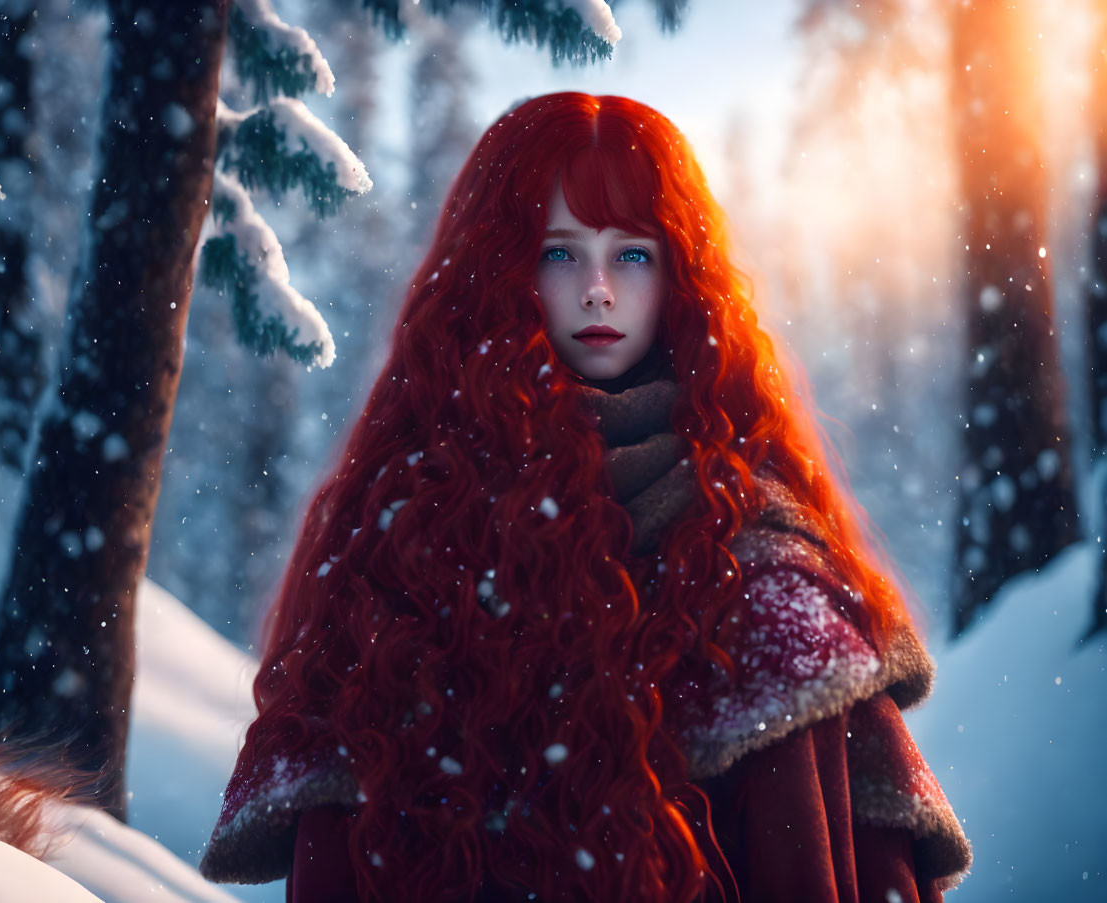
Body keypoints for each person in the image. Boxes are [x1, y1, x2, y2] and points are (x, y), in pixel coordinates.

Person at [200, 93, 971, 902]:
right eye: (559, 253)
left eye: (631, 253)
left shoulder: (768, 579)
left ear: (680, 271)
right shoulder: (399, 559)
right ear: (498, 267)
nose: (597, 289)